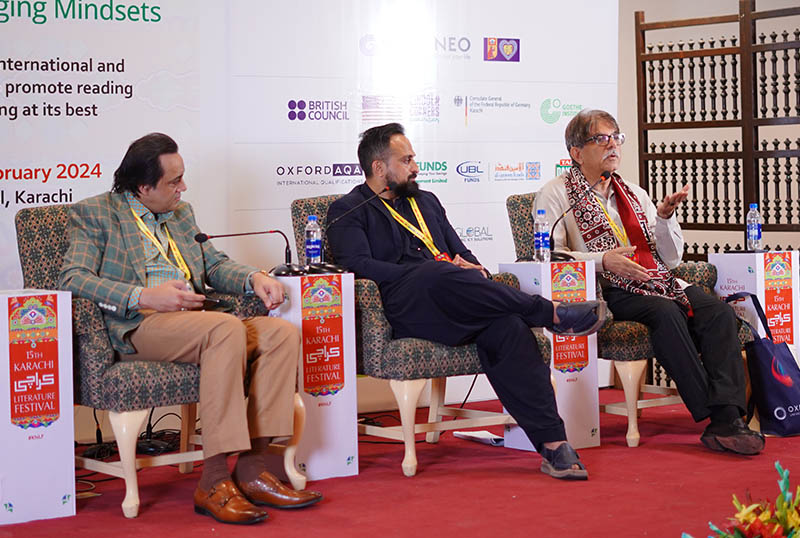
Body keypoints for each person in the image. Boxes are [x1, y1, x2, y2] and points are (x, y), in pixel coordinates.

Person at [59, 133, 322, 525]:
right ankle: (213, 481)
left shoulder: (181, 213)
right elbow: (72, 278)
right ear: (143, 187)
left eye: (182, 177)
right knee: (225, 330)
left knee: (280, 334)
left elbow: (213, 265)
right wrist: (144, 295)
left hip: (198, 321)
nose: (183, 187)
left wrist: (253, 278)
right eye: (174, 181)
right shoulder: (96, 213)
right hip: (140, 324)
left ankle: (253, 470)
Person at [327, 122, 607, 480]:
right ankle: (550, 312)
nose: (416, 167)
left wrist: (473, 268)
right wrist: (428, 270)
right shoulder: (349, 209)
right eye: (407, 160)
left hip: (455, 298)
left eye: (414, 158)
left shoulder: (426, 201)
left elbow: (460, 251)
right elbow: (358, 266)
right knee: (435, 272)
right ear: (379, 167)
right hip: (404, 307)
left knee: (508, 327)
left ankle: (553, 444)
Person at [534, 109, 765, 455]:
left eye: (616, 137)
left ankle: (728, 418)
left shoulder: (634, 193)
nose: (613, 145)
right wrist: (603, 260)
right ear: (576, 152)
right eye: (601, 139)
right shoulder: (556, 195)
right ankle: (718, 417)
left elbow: (670, 260)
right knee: (665, 313)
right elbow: (551, 256)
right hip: (608, 288)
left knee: (717, 312)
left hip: (657, 280)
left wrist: (665, 218)